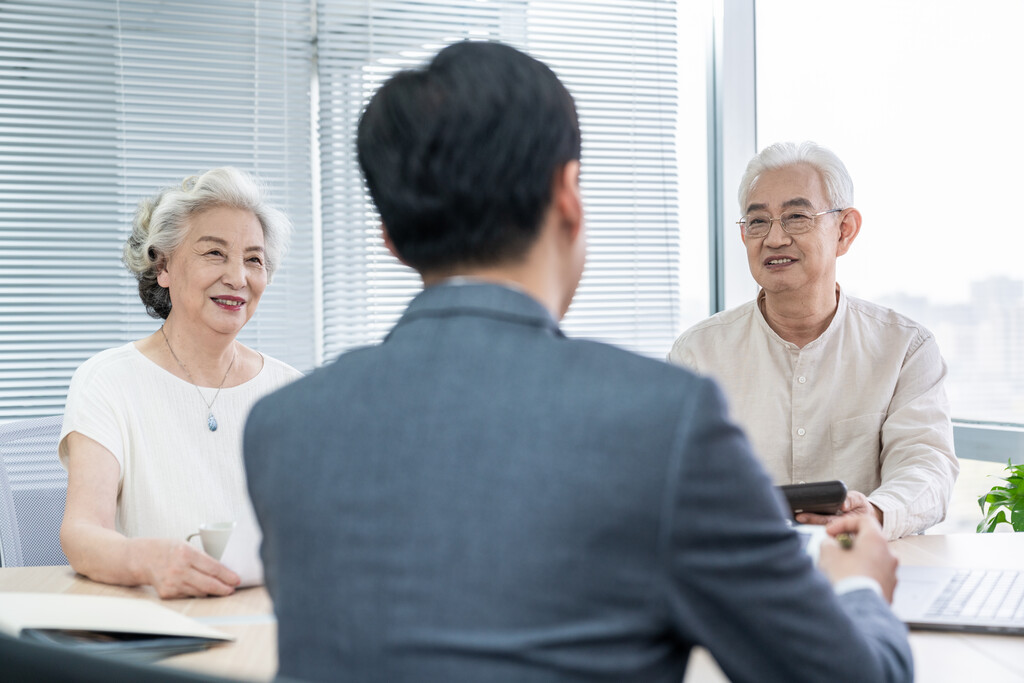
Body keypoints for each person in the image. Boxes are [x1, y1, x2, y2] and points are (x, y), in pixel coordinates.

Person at [244, 42, 912, 682]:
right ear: (568, 195)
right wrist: (857, 588)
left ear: (391, 237)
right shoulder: (662, 419)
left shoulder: (281, 424)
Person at [668, 141, 958, 540]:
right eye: (757, 222)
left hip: (862, 563)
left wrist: (873, 512)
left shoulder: (904, 348)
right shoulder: (697, 355)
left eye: (796, 217)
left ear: (845, 230)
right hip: (742, 571)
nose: (774, 238)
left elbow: (927, 465)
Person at [59, 167, 302, 598]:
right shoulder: (108, 381)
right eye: (214, 253)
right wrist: (147, 562)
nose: (238, 277)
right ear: (164, 265)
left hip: (270, 619)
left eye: (254, 259)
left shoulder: (291, 391)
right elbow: (81, 532)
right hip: (161, 622)